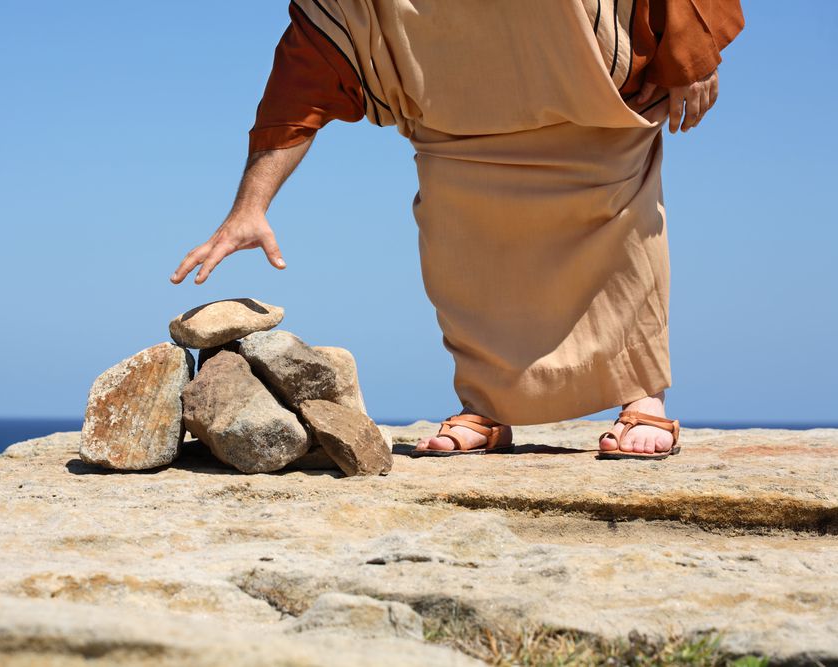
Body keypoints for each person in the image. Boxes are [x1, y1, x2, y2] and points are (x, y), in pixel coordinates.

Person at [171, 0, 744, 460]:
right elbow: (312, 58)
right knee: (464, 260)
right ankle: (487, 406)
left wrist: (691, 52)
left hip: (590, 103)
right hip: (456, 127)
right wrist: (250, 206)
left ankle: (642, 397)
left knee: (625, 244)